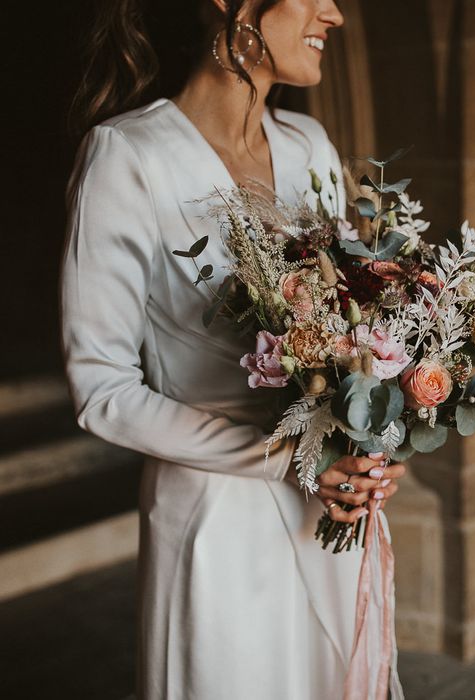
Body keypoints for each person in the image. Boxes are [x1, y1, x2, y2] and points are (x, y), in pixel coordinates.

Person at [59, 1, 407, 698]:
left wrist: (370, 437)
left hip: (326, 511)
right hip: (216, 522)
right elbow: (103, 391)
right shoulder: (127, 158)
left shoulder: (308, 143)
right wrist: (289, 459)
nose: (335, 14)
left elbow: (350, 328)